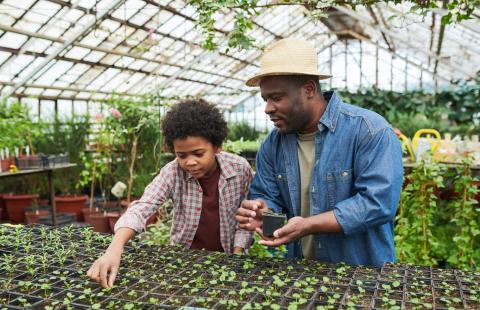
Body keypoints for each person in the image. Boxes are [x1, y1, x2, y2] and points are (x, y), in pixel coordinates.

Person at [236, 38, 403, 267]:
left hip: (363, 273)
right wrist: (264, 213)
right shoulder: (272, 145)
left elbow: (377, 203)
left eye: (276, 97)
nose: (268, 109)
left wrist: (309, 224)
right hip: (301, 273)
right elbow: (268, 196)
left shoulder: (368, 130)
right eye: (265, 99)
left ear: (309, 89)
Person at [88, 99, 253, 288]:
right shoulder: (172, 172)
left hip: (229, 258)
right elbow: (143, 207)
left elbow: (245, 219)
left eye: (198, 153)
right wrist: (114, 248)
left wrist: (237, 254)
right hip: (184, 260)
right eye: (182, 155)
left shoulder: (240, 170)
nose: (190, 162)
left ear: (217, 146)